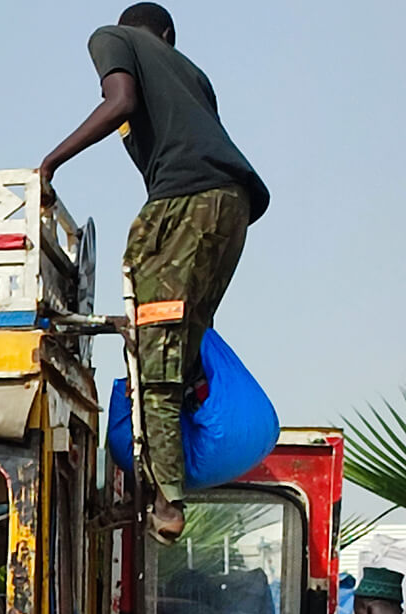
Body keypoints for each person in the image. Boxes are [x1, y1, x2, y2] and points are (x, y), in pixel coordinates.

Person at [40, 3, 269, 543]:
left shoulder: (114, 37)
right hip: (234, 208)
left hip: (183, 201)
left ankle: (167, 500)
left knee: (157, 352)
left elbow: (120, 100)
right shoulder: (194, 75)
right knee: (184, 343)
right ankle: (170, 466)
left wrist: (50, 163)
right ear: (168, 36)